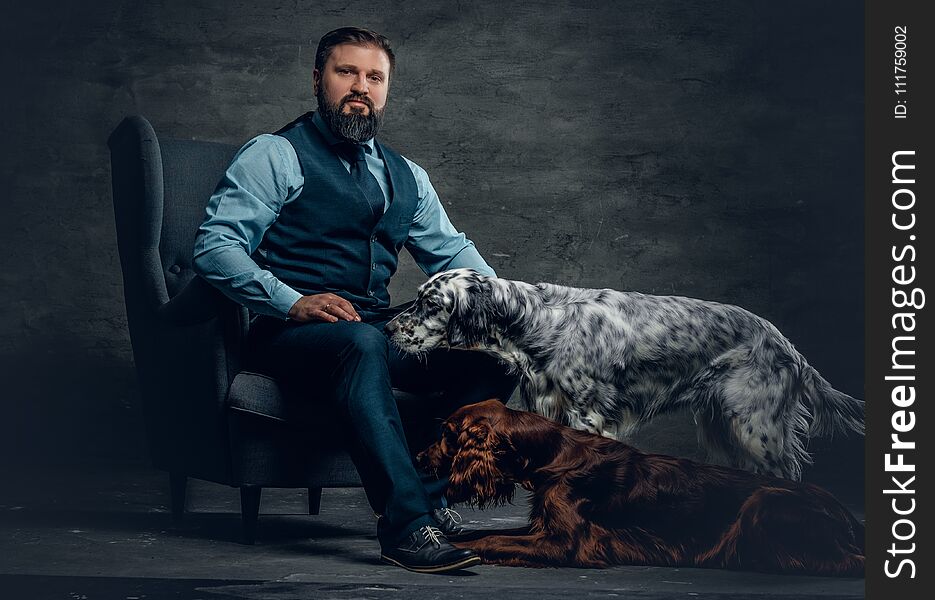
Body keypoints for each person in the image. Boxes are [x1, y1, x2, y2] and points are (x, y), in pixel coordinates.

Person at [192, 26, 516, 573]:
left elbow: (457, 258)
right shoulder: (275, 154)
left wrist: (520, 311)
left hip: (369, 328)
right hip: (289, 333)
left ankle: (431, 498)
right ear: (319, 79)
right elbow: (215, 246)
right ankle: (405, 528)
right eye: (346, 73)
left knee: (500, 352)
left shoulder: (409, 176)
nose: (359, 87)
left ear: (386, 90)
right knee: (362, 342)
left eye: (374, 77)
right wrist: (291, 301)